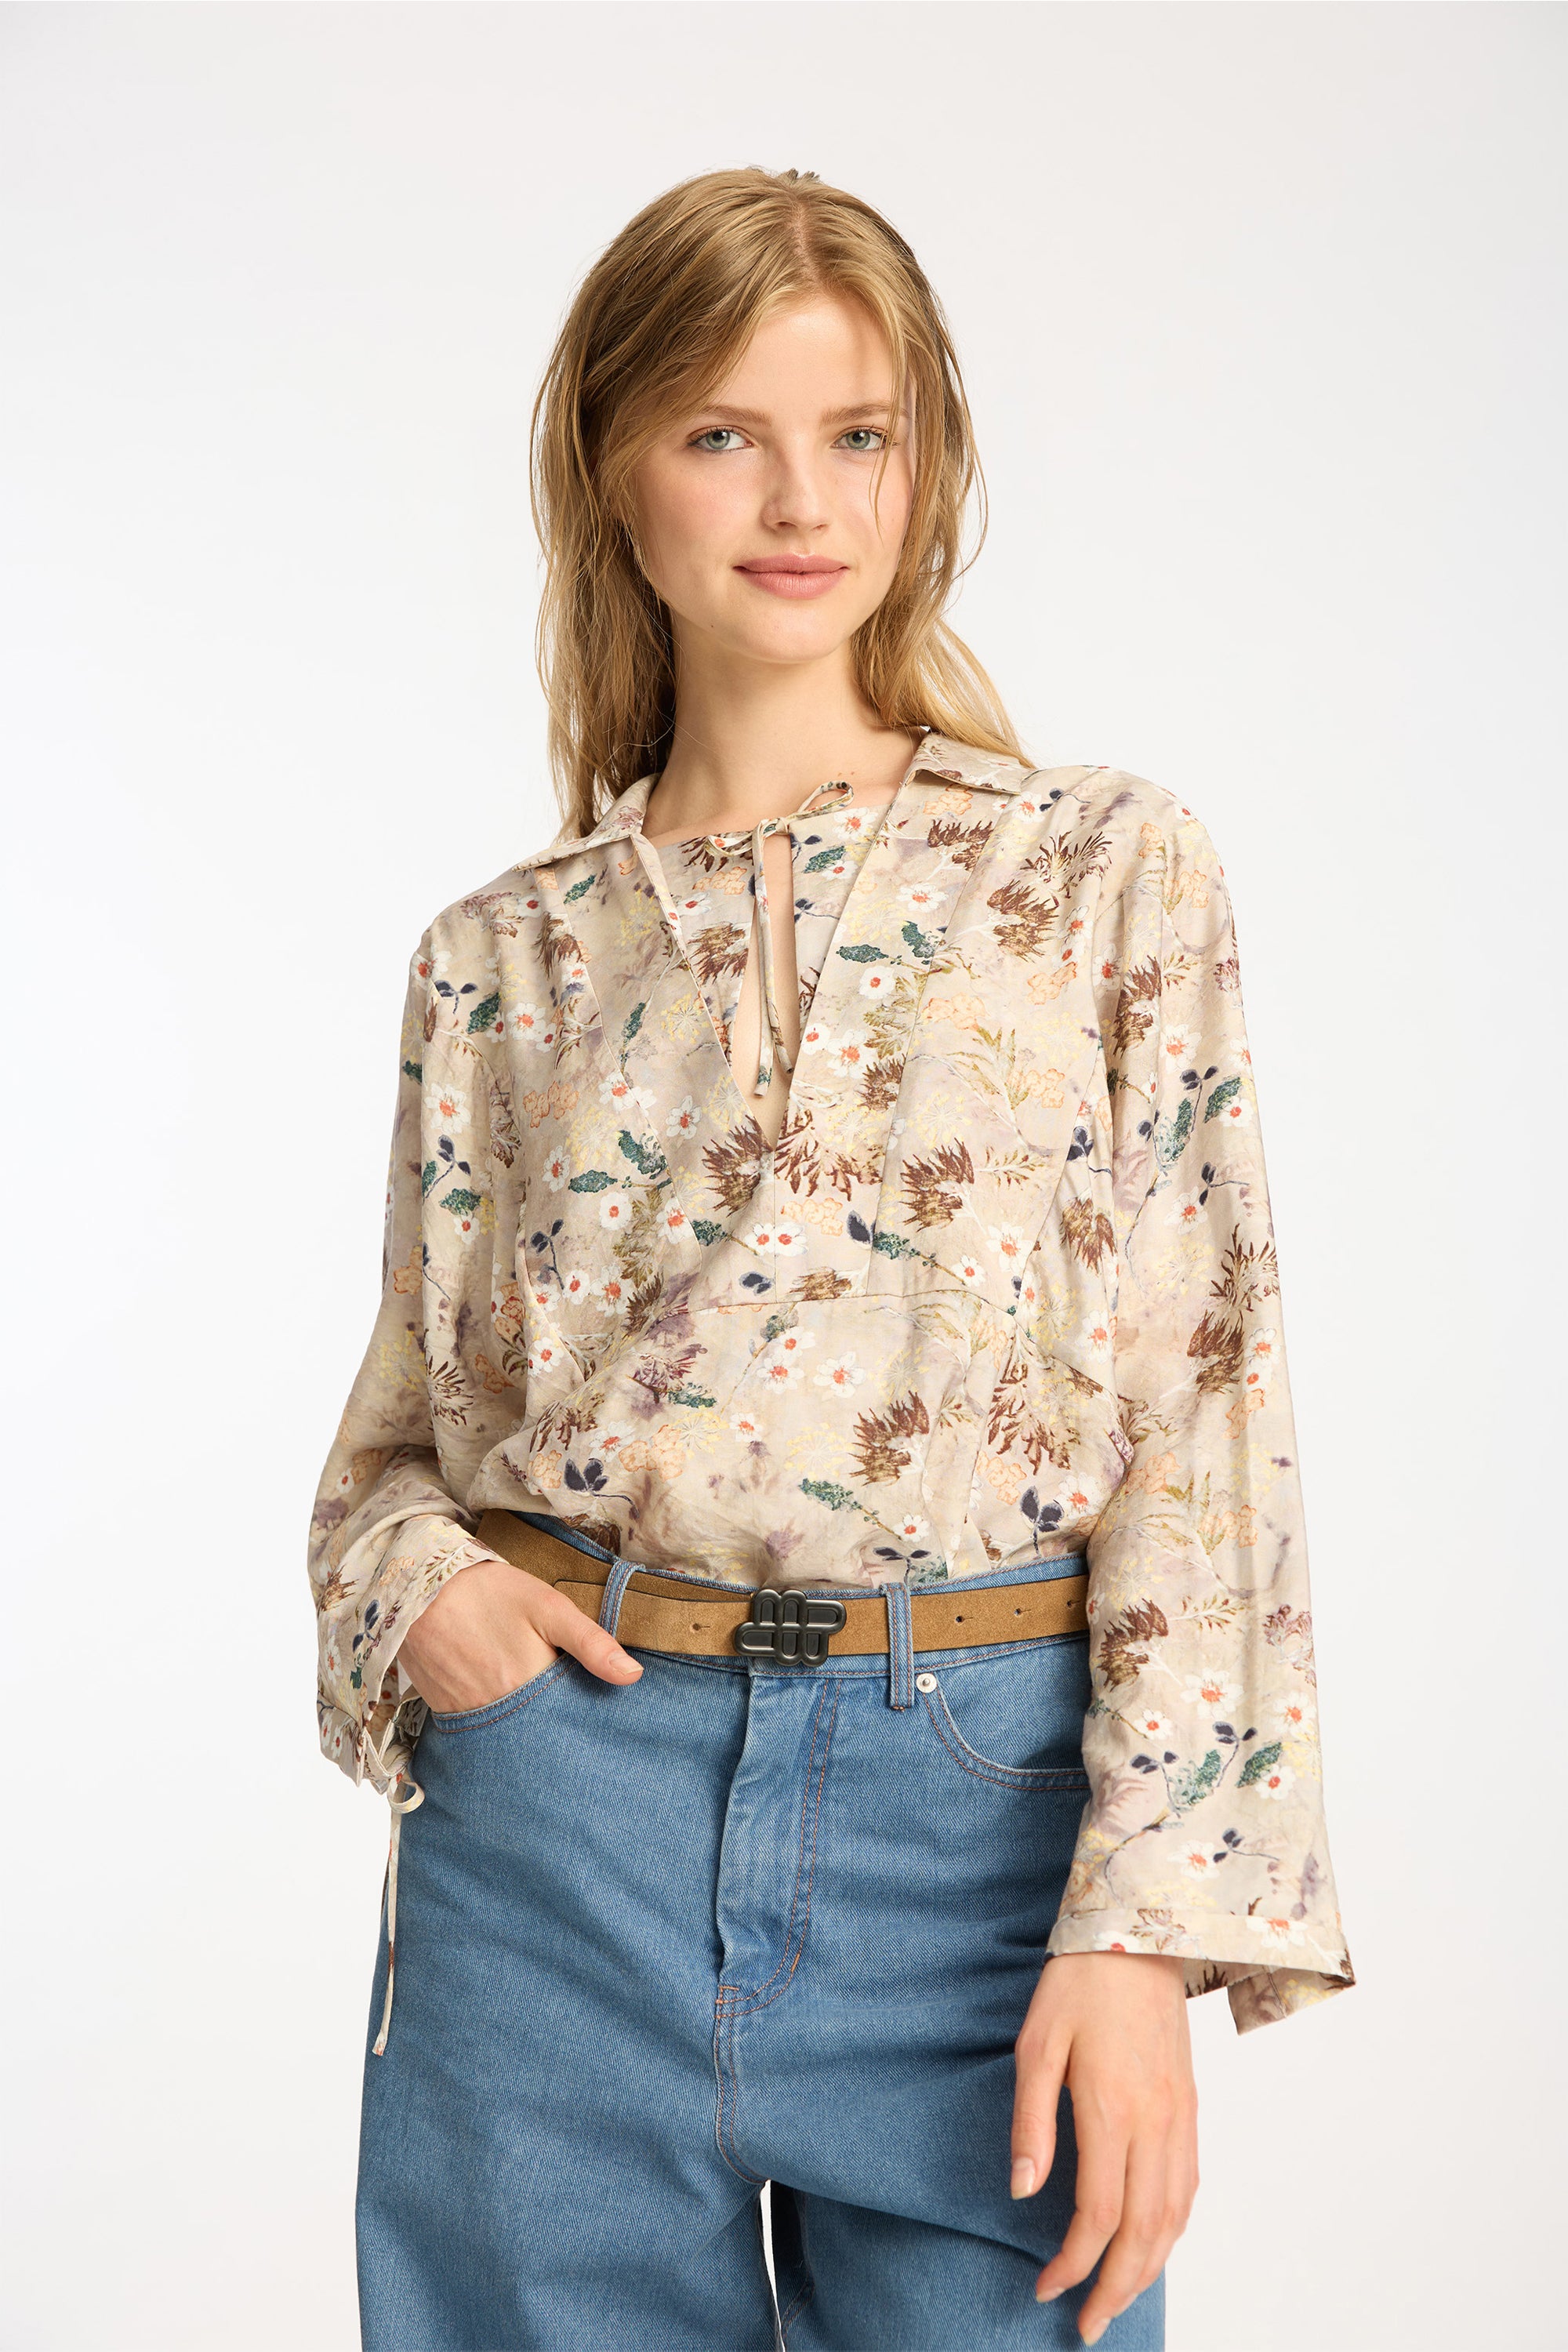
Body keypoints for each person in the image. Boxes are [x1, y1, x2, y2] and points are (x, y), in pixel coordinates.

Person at [310, 166, 1353, 2352]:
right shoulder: (498, 961)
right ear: (614, 474)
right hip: (562, 1838)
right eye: (725, 433)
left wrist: (1141, 1933)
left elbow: (1208, 1411)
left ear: (925, 464)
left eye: (857, 433)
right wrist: (431, 1602)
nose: (802, 501)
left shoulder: (1103, 872)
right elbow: (396, 1456)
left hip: (982, 1831)